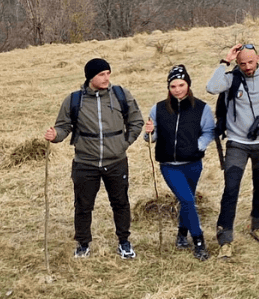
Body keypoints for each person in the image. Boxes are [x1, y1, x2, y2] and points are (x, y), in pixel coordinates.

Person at [45, 58, 144, 259]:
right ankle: (83, 244)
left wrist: (124, 143)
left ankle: (124, 242)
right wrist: (55, 135)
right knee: (83, 205)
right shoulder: (73, 100)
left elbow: (136, 121)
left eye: (108, 73)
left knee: (120, 203)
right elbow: (64, 126)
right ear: (90, 77)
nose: (106, 78)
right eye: (101, 74)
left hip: (116, 161)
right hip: (85, 163)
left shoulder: (121, 95)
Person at [207, 43, 259, 258]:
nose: (247, 67)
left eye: (250, 62)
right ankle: (225, 238)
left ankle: (258, 225)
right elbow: (211, 87)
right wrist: (226, 61)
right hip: (236, 142)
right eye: (242, 63)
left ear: (258, 58)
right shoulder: (231, 77)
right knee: (231, 188)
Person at [143, 65, 215, 260]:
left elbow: (209, 131)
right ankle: (199, 241)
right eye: (173, 86)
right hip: (169, 165)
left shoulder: (201, 108)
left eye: (181, 85)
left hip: (193, 164)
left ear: (188, 85)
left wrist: (197, 146)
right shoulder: (158, 108)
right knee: (188, 200)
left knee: (187, 200)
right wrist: (149, 132)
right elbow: (150, 137)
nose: (177, 89)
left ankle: (182, 234)